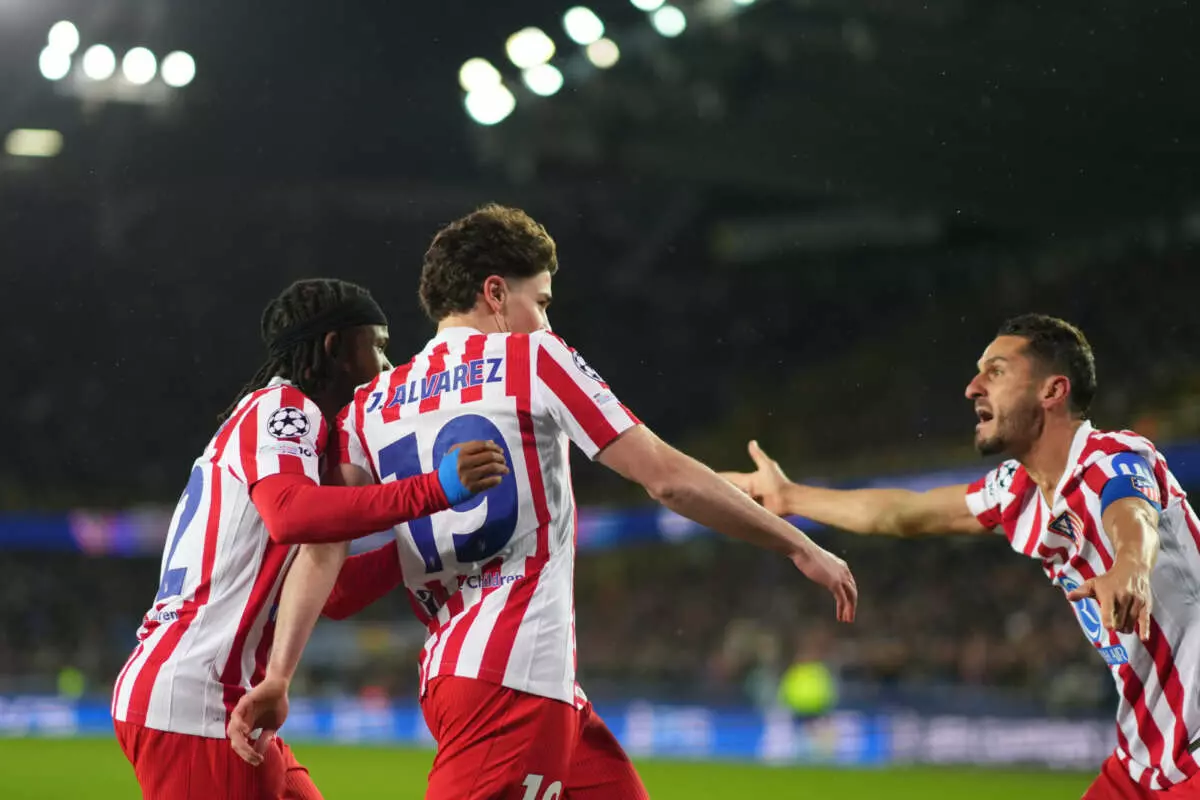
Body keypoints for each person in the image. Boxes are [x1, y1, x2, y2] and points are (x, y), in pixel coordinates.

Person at [228, 204, 858, 800]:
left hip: (482, 677)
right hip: (512, 681)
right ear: (497, 294)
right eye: (542, 302)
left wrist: (280, 672)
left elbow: (325, 557)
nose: (549, 322)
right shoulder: (535, 358)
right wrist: (797, 542)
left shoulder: (368, 408)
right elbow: (662, 477)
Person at [720, 313, 1200, 799]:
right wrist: (790, 499)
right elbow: (903, 513)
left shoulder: (1111, 457)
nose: (972, 387)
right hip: (1144, 761)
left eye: (996, 371)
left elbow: (1131, 512)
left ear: (1052, 392)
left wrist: (1131, 567)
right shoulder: (1018, 493)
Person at [112, 278, 509, 800]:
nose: (388, 365)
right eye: (379, 345)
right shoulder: (285, 408)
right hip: (199, 702)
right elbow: (290, 515)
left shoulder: (300, 439)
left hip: (221, 699)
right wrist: (435, 489)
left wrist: (441, 543)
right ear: (335, 348)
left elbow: (335, 591)